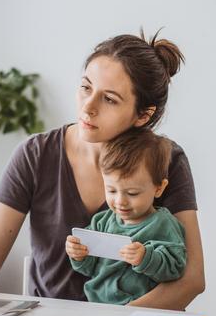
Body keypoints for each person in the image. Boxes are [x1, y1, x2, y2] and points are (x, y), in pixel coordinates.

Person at [0, 30, 205, 310]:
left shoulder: (167, 159)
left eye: (109, 99)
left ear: (142, 115)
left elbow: (192, 280)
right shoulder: (35, 154)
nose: (88, 107)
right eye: (86, 87)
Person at [66, 129, 187, 305]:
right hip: (96, 307)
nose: (120, 201)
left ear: (159, 188)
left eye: (132, 193)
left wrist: (146, 258)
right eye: (112, 190)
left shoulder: (163, 223)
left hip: (142, 311)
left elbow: (176, 267)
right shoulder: (102, 221)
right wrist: (78, 255)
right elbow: (89, 268)